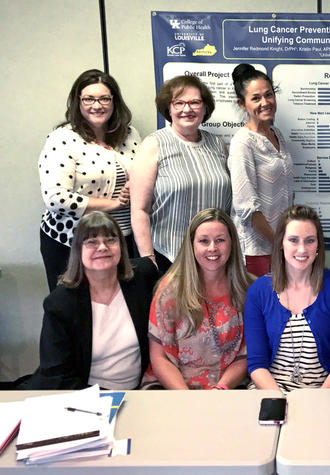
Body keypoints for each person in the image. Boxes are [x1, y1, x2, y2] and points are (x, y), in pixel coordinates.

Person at [29, 211, 158, 389]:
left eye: (111, 240)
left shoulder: (143, 277)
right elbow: (57, 373)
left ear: (121, 245)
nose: (103, 247)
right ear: (78, 250)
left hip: (141, 390)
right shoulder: (60, 303)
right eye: (92, 242)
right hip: (86, 396)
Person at [39, 69, 141, 291]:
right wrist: (114, 204)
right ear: (78, 102)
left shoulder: (130, 134)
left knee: (119, 308)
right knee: (78, 312)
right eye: (89, 99)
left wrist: (135, 187)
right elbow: (55, 198)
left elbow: (141, 172)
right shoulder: (63, 138)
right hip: (73, 242)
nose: (97, 105)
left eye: (104, 98)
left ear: (114, 101)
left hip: (122, 241)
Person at [244, 205, 330, 392]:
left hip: (322, 393)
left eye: (310, 240)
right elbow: (256, 363)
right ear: (281, 243)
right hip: (269, 390)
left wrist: (314, 402)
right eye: (293, 240)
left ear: (318, 244)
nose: (302, 249)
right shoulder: (259, 292)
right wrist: (279, 400)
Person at [143, 208, 253, 389]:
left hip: (229, 387)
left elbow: (246, 355)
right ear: (192, 244)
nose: (212, 248)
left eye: (220, 240)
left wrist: (220, 390)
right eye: (204, 241)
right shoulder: (169, 290)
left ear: (231, 243)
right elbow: (159, 358)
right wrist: (189, 399)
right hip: (175, 387)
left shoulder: (247, 289)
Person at [131, 75, 231, 274]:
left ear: (205, 108)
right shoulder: (153, 145)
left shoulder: (218, 144)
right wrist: (149, 260)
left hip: (214, 257)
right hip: (168, 257)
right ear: (169, 108)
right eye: (179, 103)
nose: (187, 109)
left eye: (194, 102)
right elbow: (139, 210)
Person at [228, 64, 293, 277]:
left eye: (269, 95)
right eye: (256, 98)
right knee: (262, 306)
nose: (265, 103)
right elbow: (247, 207)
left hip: (281, 244)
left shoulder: (277, 134)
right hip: (258, 250)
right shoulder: (242, 143)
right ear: (242, 104)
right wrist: (277, 244)